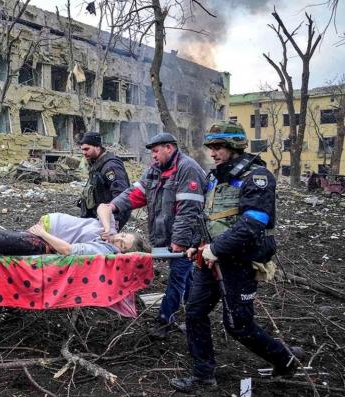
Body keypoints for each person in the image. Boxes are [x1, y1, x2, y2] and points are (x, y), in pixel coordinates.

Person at [170, 121, 304, 392]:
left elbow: (254, 222)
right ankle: (203, 376)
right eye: (211, 147)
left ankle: (286, 360)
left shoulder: (257, 177)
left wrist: (216, 249)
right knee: (195, 312)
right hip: (210, 259)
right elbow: (208, 217)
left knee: (238, 326)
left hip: (239, 261)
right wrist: (198, 244)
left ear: (234, 146)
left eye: (218, 147)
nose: (213, 152)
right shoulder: (215, 177)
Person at [98, 132, 206, 338]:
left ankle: (164, 321)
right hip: (167, 234)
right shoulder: (155, 170)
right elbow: (136, 193)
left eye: (156, 151)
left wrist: (180, 241)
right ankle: (195, 315)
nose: (153, 156)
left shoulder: (187, 169)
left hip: (188, 236)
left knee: (177, 277)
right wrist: (113, 206)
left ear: (169, 148)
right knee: (186, 276)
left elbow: (189, 209)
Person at [0, 207, 147, 256]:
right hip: (42, 230)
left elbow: (67, 250)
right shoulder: (110, 231)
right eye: (122, 236)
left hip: (45, 240)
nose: (118, 239)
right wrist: (106, 227)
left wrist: (42, 233)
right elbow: (104, 207)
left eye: (122, 245)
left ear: (121, 253)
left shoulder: (104, 250)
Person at [77, 132, 131, 230]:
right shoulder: (97, 164)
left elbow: (121, 194)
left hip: (109, 218)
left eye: (87, 149)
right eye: (82, 150)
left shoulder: (110, 166)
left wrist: (114, 221)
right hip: (99, 217)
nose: (84, 153)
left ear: (97, 147)